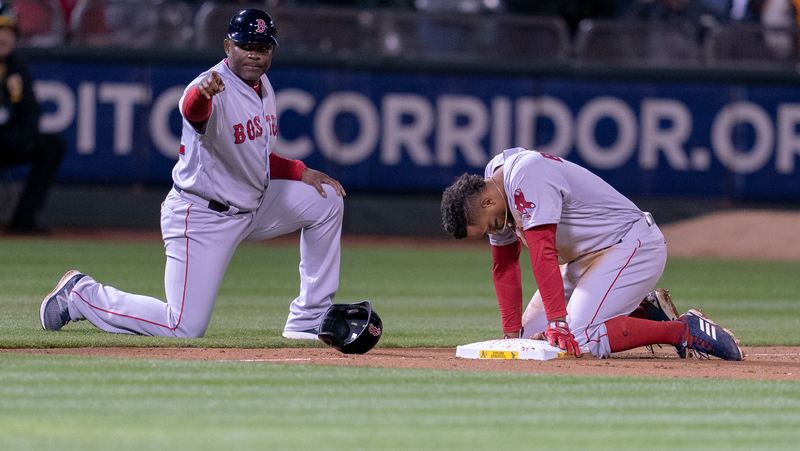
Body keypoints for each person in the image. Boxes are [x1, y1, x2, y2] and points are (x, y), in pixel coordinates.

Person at [39, 9, 345, 339]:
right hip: (203, 215)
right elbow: (192, 109)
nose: (255, 54)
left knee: (325, 201)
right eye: (246, 46)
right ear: (228, 46)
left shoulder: (262, 87)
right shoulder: (211, 86)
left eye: (263, 48)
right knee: (183, 325)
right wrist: (204, 94)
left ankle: (308, 319)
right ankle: (81, 295)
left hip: (251, 204)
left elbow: (252, 157)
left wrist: (300, 171)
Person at [440, 147, 743, 361]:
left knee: (581, 336)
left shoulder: (524, 176)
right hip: (585, 261)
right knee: (530, 343)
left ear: (486, 203)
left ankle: (684, 331)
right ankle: (644, 310)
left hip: (631, 245)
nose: (495, 231)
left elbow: (543, 251)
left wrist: (559, 323)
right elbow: (504, 266)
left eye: (490, 226)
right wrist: (510, 335)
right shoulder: (497, 193)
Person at [0, 1, 66, 234]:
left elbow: (31, 111)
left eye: (8, 31)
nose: (4, 37)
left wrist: (19, 137)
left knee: (52, 145)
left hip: (9, 138)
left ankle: (24, 220)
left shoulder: (17, 65)